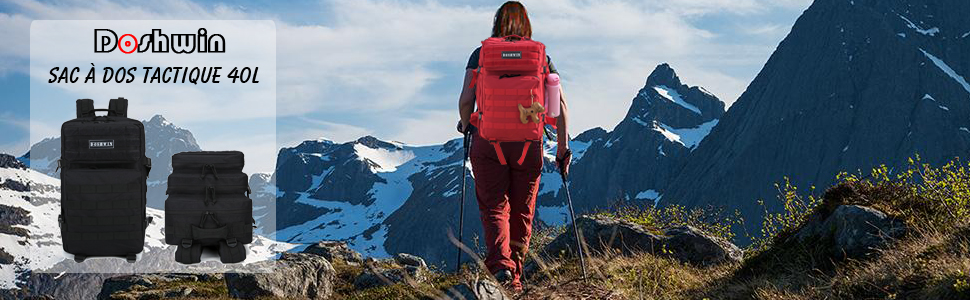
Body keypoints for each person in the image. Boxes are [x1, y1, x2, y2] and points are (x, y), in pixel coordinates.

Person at [457, 1, 570, 290]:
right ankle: (516, 277)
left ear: (497, 24)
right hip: (528, 144)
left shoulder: (481, 54)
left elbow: (466, 101)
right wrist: (561, 150)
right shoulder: (540, 56)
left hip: (488, 141)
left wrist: (465, 122)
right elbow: (560, 107)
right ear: (526, 25)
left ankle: (500, 267)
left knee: (494, 208)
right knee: (522, 211)